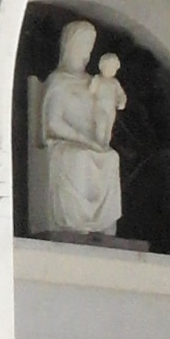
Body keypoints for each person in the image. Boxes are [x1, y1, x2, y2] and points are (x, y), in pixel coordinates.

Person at [28, 18, 127, 242]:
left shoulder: (94, 82)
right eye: (81, 47)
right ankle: (74, 222)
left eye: (89, 49)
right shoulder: (58, 81)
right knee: (79, 158)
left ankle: (102, 225)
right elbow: (53, 123)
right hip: (63, 142)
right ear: (69, 47)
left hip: (91, 143)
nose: (85, 54)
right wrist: (84, 140)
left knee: (111, 157)